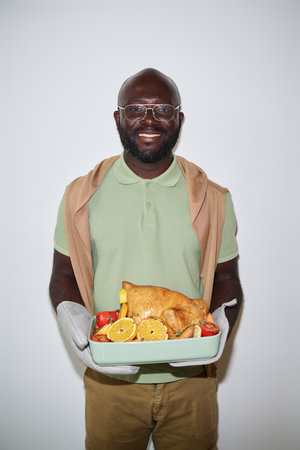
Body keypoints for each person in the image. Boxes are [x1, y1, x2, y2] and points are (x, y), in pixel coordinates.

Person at [49, 68, 243, 450]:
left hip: (191, 385)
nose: (150, 119)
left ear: (180, 119)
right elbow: (62, 274)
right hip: (111, 384)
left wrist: (220, 329)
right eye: (136, 108)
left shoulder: (214, 199)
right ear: (118, 118)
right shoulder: (79, 196)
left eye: (163, 110)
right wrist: (74, 319)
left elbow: (226, 280)